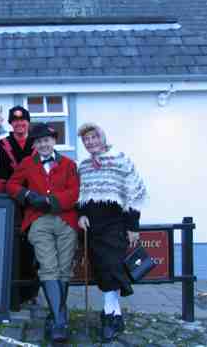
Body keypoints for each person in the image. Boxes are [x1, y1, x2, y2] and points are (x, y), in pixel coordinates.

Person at [6, 123, 79, 343]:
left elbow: (75, 191)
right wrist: (27, 194)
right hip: (38, 221)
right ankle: (59, 321)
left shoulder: (69, 164)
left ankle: (57, 316)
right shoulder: (28, 163)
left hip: (66, 220)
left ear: (54, 141)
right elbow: (12, 184)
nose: (43, 144)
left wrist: (52, 201)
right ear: (35, 145)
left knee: (64, 269)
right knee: (49, 266)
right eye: (38, 142)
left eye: (46, 140)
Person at [77, 123, 147, 342]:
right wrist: (81, 214)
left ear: (102, 137)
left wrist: (133, 226)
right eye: (86, 139)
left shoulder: (120, 160)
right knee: (102, 269)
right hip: (93, 227)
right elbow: (81, 194)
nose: (90, 142)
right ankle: (115, 316)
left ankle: (109, 315)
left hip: (115, 224)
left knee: (111, 267)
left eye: (93, 137)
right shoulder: (84, 166)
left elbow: (135, 192)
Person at [0, 106, 39, 304]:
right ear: (10, 124)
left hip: (34, 203)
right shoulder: (2, 144)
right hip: (12, 203)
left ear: (28, 123)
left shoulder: (38, 143)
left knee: (33, 247)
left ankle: (31, 293)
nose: (19, 124)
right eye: (15, 121)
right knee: (11, 246)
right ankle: (11, 292)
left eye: (23, 121)